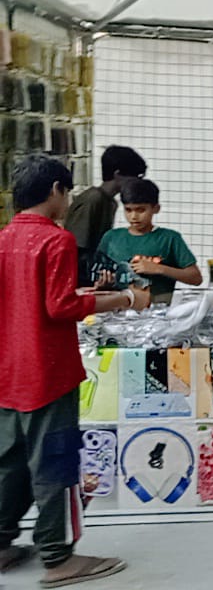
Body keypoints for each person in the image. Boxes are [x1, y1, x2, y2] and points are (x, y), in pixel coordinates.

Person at [0, 155, 149, 587]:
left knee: (9, 462)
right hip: (47, 371)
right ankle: (56, 556)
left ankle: (4, 541)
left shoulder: (6, 238)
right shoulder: (55, 240)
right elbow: (59, 306)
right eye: (66, 192)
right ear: (55, 192)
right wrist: (125, 299)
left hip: (8, 370)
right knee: (54, 465)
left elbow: (30, 297)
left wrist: (81, 292)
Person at [97, 179, 202, 305]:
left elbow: (195, 278)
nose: (134, 216)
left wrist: (159, 269)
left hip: (158, 314)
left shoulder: (169, 238)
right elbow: (97, 276)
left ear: (156, 208)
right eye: (128, 210)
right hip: (117, 312)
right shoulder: (111, 237)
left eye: (140, 210)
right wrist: (103, 282)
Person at [64, 145, 147, 287]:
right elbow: (76, 248)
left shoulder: (110, 202)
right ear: (117, 174)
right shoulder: (93, 199)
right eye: (135, 177)